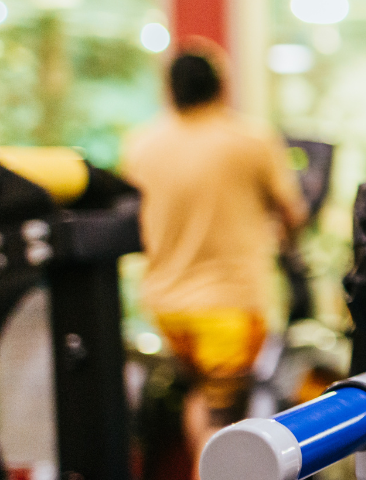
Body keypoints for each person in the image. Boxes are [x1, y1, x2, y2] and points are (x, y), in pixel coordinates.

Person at [121, 44, 307, 473]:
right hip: (229, 306)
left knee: (201, 400)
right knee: (224, 421)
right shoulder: (250, 140)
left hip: (166, 307)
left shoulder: (142, 144)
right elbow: (292, 213)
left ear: (170, 90)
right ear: (222, 87)